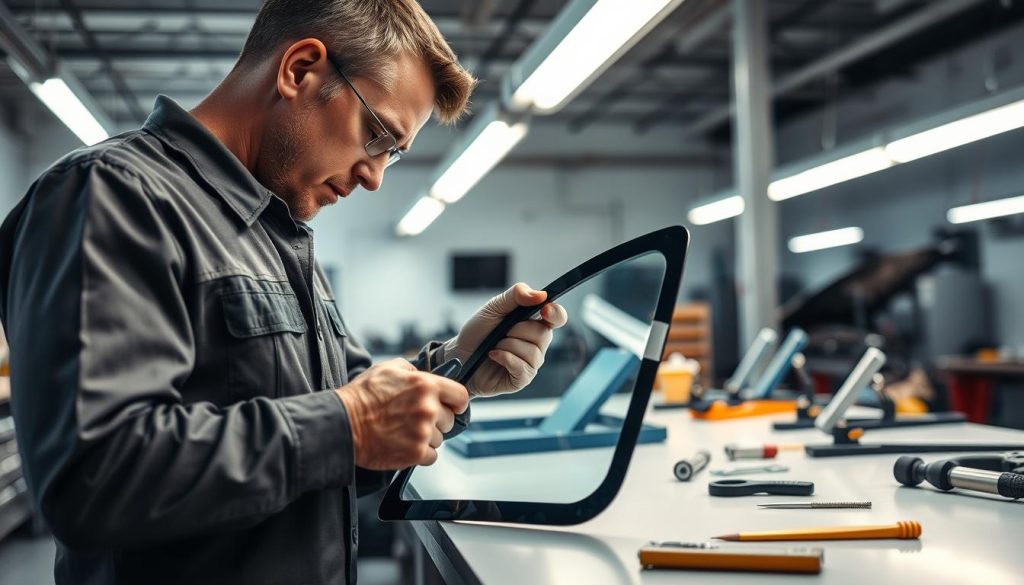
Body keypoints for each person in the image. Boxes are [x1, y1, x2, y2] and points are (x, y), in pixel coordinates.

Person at [0, 1, 566, 583]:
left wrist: (460, 367)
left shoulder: (280, 233)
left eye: (392, 154)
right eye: (376, 135)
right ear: (300, 69)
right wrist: (345, 426)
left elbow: (352, 440)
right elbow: (92, 479)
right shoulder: (112, 198)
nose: (375, 176)